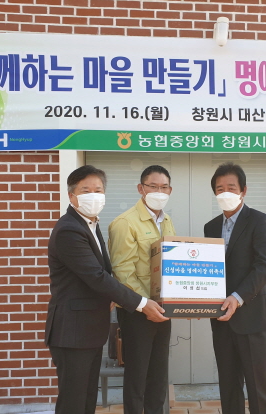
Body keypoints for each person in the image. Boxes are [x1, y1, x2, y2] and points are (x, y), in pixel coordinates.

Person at [44, 165, 168, 414]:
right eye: (85, 190)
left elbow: (100, 274)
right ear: (71, 196)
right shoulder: (69, 229)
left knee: (87, 400)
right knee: (73, 403)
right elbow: (97, 276)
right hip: (72, 331)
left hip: (88, 330)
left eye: (98, 190)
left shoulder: (90, 225)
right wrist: (141, 303)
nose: (93, 196)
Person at [204, 162, 266, 414]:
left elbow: (265, 265)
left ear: (243, 190)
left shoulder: (260, 221)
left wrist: (237, 297)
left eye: (231, 187)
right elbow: (209, 269)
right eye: (219, 189)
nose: (225, 192)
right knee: (228, 385)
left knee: (259, 388)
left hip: (253, 317)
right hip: (221, 317)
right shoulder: (211, 227)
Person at [108, 165, 176, 414]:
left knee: (159, 374)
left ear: (170, 190)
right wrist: (146, 305)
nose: (159, 191)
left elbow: (172, 264)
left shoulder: (166, 220)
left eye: (164, 187)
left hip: (164, 309)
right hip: (138, 310)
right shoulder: (125, 223)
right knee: (137, 376)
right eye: (153, 186)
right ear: (141, 188)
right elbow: (122, 272)